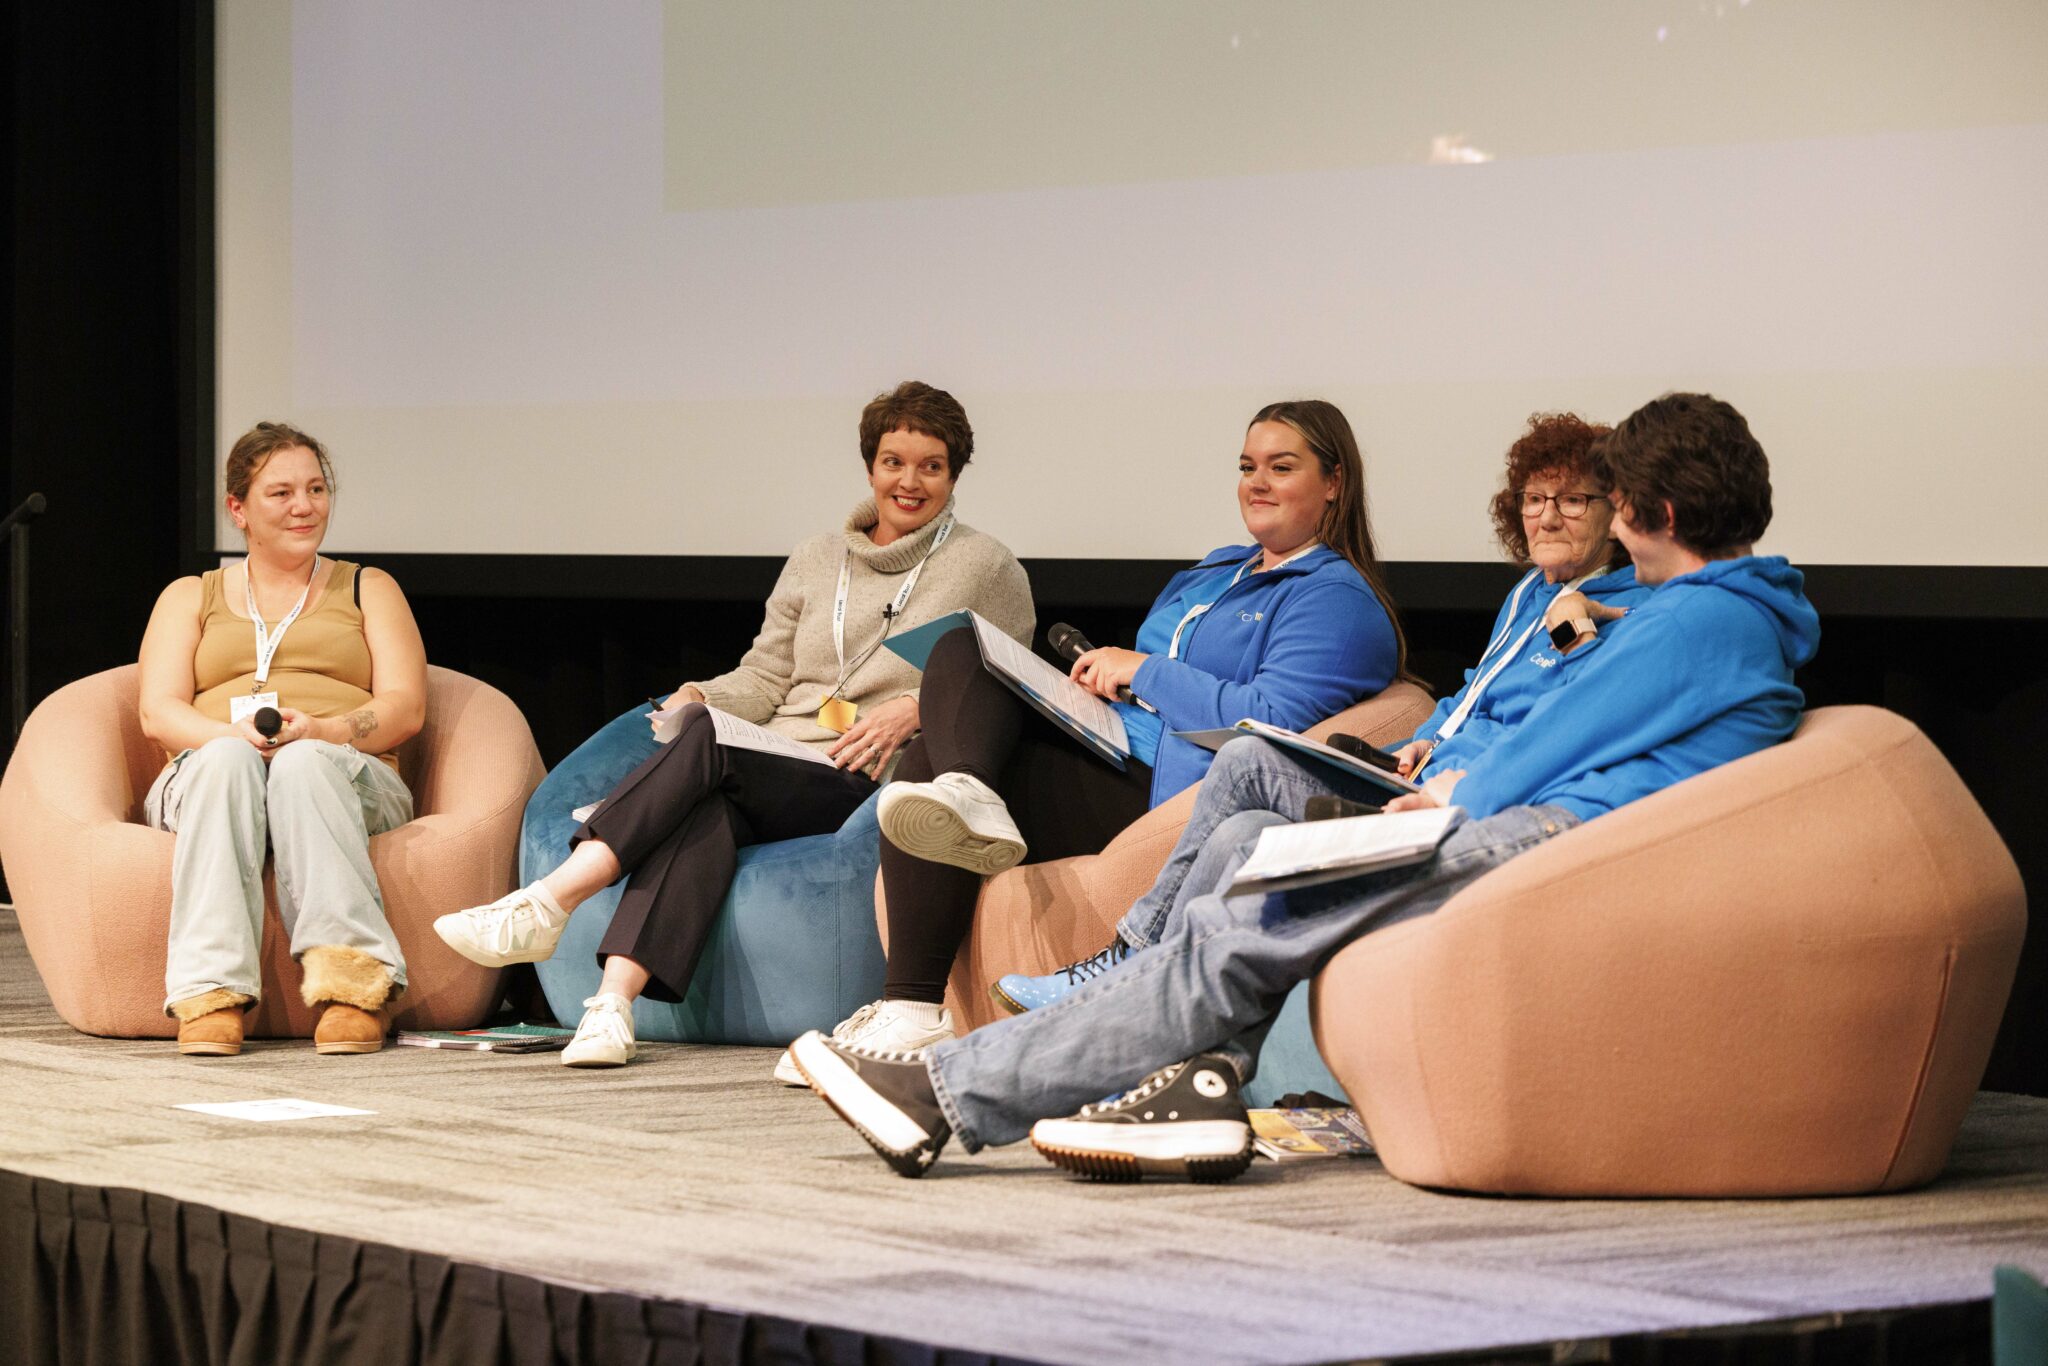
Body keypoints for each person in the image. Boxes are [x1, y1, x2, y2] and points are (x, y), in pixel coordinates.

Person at [791, 391, 1821, 1181]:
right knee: (1241, 861)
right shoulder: (1723, 613)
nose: (1611, 527)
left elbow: (1563, 734)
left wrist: (1446, 795)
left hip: (1533, 837)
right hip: (1517, 819)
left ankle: (943, 1092)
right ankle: (1196, 1086)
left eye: (1619, 505)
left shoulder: (1699, 616)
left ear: (1660, 508)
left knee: (1243, 917)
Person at [786, 400, 1407, 1082]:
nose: (1256, 483)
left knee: (941, 737)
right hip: (1112, 745)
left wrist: (1144, 671)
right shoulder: (1215, 572)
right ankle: (920, 974)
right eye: (1247, 467)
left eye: (1281, 468)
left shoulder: (1337, 598)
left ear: (1334, 481)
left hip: (1166, 787)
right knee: (962, 653)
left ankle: (915, 1004)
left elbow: (1266, 721)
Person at [433, 381, 1034, 1068]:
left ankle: (550, 899)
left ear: (954, 475)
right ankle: (611, 1007)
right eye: (895, 461)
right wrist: (700, 694)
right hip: (769, 765)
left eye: (932, 465)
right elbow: (765, 678)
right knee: (703, 803)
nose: (910, 480)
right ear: (870, 466)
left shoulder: (986, 566)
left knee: (710, 750)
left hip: (860, 775)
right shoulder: (815, 558)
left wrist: (919, 708)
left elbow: (999, 682)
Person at [990, 411, 1653, 1014]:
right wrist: (1426, 737)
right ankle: (1158, 1018)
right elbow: (1472, 691)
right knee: (1238, 833)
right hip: (1414, 777)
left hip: (1468, 805)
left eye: (1571, 500)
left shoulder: (1625, 608)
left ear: (1617, 512)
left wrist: (1573, 631)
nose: (1548, 517)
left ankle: (1126, 963)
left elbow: (1571, 725)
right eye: (1534, 500)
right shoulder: (1527, 595)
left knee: (1249, 755)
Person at [138, 422, 429, 1057]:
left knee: (302, 765)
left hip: (345, 770)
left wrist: (323, 731)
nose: (304, 506)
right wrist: (230, 737)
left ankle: (352, 991)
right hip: (211, 770)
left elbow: (405, 708)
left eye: (316, 488)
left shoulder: (368, 587)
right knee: (226, 762)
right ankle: (210, 994)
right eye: (281, 493)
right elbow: (157, 713)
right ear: (237, 509)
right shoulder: (191, 595)